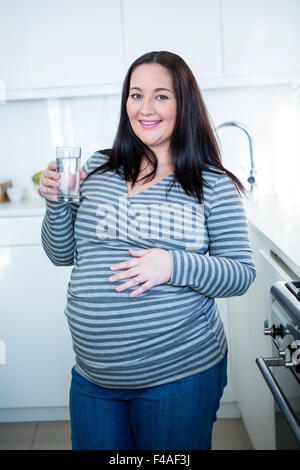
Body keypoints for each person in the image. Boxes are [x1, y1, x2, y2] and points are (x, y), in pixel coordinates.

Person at [39, 51, 256, 450]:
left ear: (183, 103)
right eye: (136, 95)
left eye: (161, 96)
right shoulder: (99, 168)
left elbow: (241, 273)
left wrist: (173, 264)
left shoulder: (212, 183)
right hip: (93, 378)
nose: (146, 108)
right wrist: (55, 202)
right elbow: (62, 254)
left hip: (178, 375)